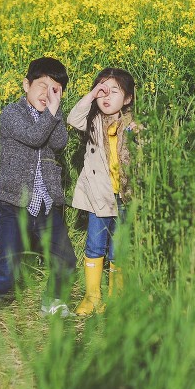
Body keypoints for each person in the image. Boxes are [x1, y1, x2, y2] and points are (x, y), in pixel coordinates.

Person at [0, 57, 77, 326]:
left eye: (55, 89)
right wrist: (51, 114)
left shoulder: (52, 116)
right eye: (42, 85)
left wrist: (55, 111)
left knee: (66, 260)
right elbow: (34, 136)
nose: (47, 93)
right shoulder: (12, 114)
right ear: (26, 85)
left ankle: (53, 301)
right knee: (10, 261)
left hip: (46, 203)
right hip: (14, 202)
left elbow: (60, 142)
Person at [67, 68, 138, 315]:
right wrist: (91, 95)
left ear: (128, 98)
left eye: (114, 91)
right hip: (100, 196)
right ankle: (92, 296)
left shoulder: (134, 125)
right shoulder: (93, 122)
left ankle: (116, 296)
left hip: (126, 197)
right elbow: (74, 118)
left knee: (118, 247)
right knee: (95, 245)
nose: (106, 97)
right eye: (102, 91)